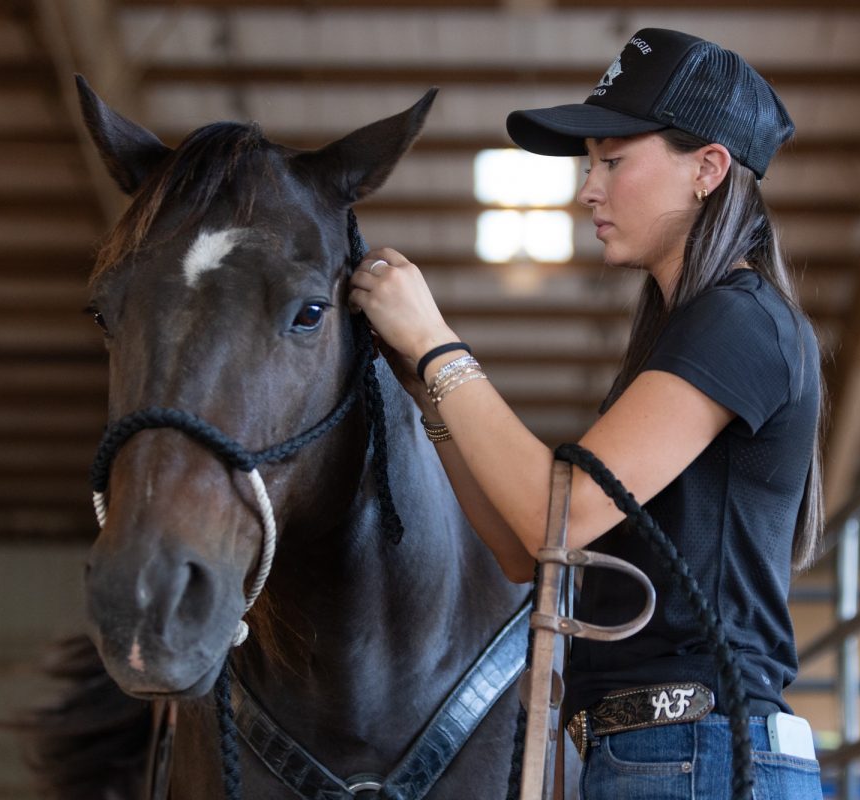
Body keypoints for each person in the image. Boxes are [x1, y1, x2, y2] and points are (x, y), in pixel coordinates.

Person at [349, 27, 824, 799]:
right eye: (589, 164)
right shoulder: (685, 338)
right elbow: (523, 550)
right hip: (656, 754)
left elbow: (549, 515)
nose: (588, 189)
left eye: (613, 160)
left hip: (696, 754)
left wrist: (438, 346)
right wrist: (426, 396)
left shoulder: (740, 323)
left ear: (707, 168)